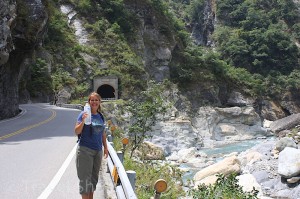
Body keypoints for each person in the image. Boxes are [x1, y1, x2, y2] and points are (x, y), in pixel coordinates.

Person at [74, 92, 108, 199]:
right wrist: (83, 120)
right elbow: (77, 131)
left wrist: (105, 148)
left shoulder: (101, 116)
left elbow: (102, 133)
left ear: (99, 102)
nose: (94, 102)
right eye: (92, 100)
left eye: (96, 100)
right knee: (85, 181)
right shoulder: (83, 114)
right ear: (89, 102)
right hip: (85, 150)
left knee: (93, 180)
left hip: (97, 151)